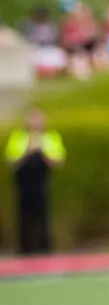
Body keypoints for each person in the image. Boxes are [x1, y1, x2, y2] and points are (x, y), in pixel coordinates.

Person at [7, 109, 65, 254]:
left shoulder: (51, 137)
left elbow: (58, 161)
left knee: (43, 216)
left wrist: (41, 150)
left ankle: (45, 248)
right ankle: (25, 249)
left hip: (42, 182)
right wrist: (28, 150)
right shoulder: (18, 137)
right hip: (24, 183)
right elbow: (12, 161)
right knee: (24, 217)